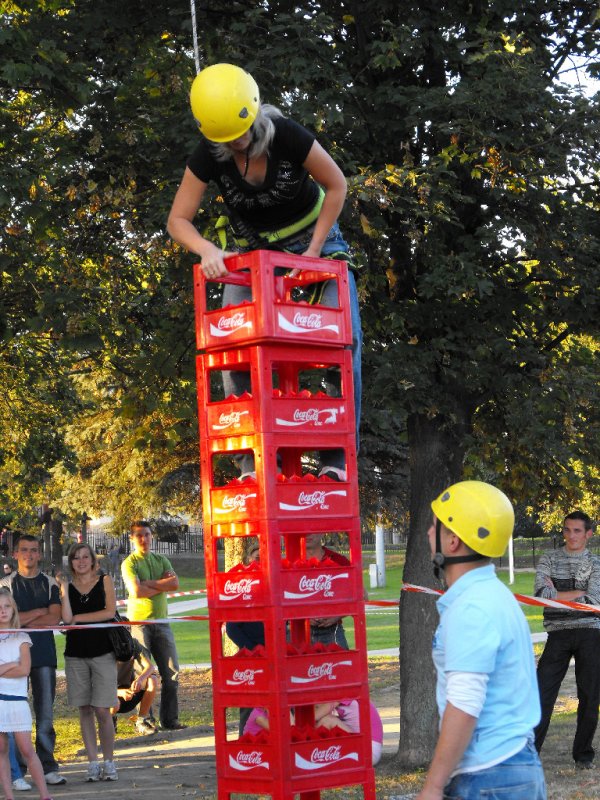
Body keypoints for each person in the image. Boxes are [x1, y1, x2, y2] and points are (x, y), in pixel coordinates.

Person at [167, 62, 362, 481]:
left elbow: (337, 185)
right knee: (227, 343)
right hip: (253, 253)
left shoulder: (288, 134)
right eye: (227, 141)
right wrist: (206, 249)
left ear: (253, 115)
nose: (238, 145)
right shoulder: (208, 153)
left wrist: (312, 253)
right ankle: (252, 462)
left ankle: (335, 459)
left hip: (315, 241)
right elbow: (178, 220)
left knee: (341, 342)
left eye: (242, 134)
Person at [416, 481, 545, 800]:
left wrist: (433, 786)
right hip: (508, 769)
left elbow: (465, 702)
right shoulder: (493, 595)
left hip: (488, 776)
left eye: (435, 526)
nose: (429, 534)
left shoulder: (472, 607)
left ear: (453, 540)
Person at [533, 510, 600, 769]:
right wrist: (577, 592)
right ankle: (530, 752)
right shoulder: (549, 557)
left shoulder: (596, 563)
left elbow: (592, 601)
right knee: (542, 692)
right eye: (567, 529)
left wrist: (559, 594)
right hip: (557, 633)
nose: (571, 535)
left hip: (590, 632)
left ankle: (583, 755)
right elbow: (542, 594)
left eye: (577, 531)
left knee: (589, 695)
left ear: (588, 534)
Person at [0, 535, 65, 786]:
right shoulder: (6, 583)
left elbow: (53, 619)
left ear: (39, 554)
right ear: (16, 554)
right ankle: (18, 772)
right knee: (13, 714)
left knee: (45, 714)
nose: (29, 554)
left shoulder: (49, 583)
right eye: (24, 550)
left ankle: (48, 765)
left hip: (44, 655)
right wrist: (40, 612)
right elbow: (8, 619)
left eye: (34, 550)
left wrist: (28, 618)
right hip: (12, 659)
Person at [58, 544, 119, 783]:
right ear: (71, 562)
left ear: (93, 560)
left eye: (85, 557)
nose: (81, 561)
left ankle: (109, 762)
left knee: (103, 710)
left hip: (103, 652)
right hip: (75, 654)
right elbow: (65, 619)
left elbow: (109, 611)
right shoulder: (68, 587)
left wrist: (79, 618)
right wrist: (63, 589)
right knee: (84, 708)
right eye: (76, 558)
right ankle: (93, 763)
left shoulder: (105, 580)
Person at [121, 521, 185, 730]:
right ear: (132, 538)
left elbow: (175, 584)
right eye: (139, 535)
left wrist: (148, 583)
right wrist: (161, 584)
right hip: (139, 624)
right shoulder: (129, 563)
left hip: (162, 622)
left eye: (147, 535)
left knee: (172, 672)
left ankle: (169, 719)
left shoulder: (161, 559)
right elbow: (137, 592)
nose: (144, 539)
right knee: (144, 673)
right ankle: (144, 718)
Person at [0, 588, 53, 800]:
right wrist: (10, 665)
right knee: (2, 751)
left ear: (13, 610)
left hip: (17, 702)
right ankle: (8, 796)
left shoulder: (22, 637)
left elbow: (24, 670)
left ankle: (45, 795)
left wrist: (6, 667)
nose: (2, 611)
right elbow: (17, 667)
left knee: (27, 750)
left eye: (6, 607)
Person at [304, 534, 351, 648]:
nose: (307, 534)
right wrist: (304, 617)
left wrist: (338, 615)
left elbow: (360, 596)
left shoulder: (339, 561)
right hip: (300, 632)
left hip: (333, 630)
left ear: (321, 532)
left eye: (313, 529)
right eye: (303, 530)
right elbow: (278, 601)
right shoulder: (291, 563)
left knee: (342, 665)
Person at [110, 634, 159, 736]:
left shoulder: (133, 643)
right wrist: (118, 692)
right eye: (120, 630)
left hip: (129, 690)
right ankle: (109, 722)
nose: (123, 633)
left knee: (152, 679)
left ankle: (141, 721)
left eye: (127, 630)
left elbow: (150, 667)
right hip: (109, 694)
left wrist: (140, 680)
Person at [316, 699, 384, 765]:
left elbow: (315, 716)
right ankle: (313, 756)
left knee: (328, 720)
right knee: (327, 721)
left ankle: (310, 755)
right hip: (360, 748)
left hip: (368, 752)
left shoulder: (345, 693)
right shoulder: (336, 696)